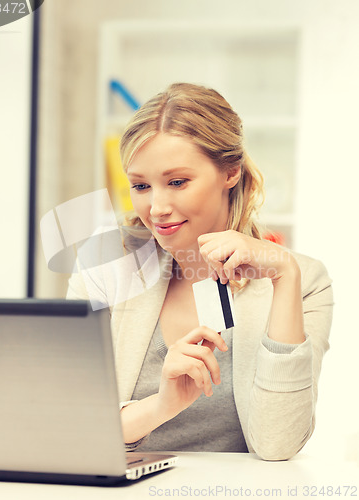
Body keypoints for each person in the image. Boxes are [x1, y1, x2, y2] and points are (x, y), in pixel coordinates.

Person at [67, 82, 333, 461]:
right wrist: (161, 406)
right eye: (141, 185)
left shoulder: (305, 281)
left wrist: (284, 274)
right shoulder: (105, 265)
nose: (157, 207)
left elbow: (278, 443)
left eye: (177, 182)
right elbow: (72, 429)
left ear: (230, 172)